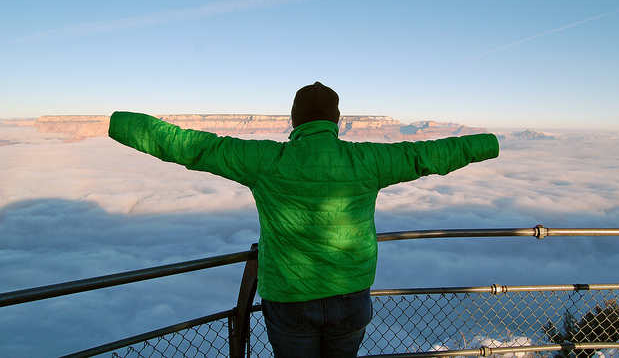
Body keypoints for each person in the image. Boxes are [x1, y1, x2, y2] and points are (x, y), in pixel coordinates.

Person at [108, 81, 499, 358]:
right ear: (337, 120)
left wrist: (120, 123)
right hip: (350, 294)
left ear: (294, 120)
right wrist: (486, 144)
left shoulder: (266, 161)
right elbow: (426, 155)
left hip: (289, 298)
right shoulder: (367, 161)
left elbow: (192, 147)